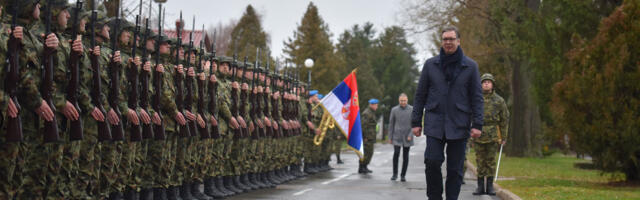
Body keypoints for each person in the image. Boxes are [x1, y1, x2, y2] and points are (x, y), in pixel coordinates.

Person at [411, 26, 484, 200]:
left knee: (455, 168)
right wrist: (415, 121)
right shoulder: (430, 65)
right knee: (432, 161)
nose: (448, 42)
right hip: (435, 122)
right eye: (445, 39)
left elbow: (477, 97)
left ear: (458, 41)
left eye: (451, 39)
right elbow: (420, 94)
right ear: (441, 42)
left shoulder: (470, 66)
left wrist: (478, 124)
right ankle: (435, 197)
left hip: (459, 123)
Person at [472, 73, 509, 196]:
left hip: (493, 133)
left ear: (493, 84)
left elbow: (504, 119)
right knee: (480, 161)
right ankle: (480, 186)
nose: (486, 83)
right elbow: (469, 115)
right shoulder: (475, 99)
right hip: (478, 133)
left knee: (490, 161)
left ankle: (490, 186)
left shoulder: (499, 100)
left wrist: (504, 137)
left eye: (489, 82)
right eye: (484, 82)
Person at [388, 93, 413, 182]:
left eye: (404, 101)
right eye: (401, 101)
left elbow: (414, 123)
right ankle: (395, 174)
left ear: (407, 100)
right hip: (397, 136)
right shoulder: (394, 110)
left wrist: (410, 135)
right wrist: (390, 137)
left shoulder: (411, 109)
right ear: (399, 101)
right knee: (396, 154)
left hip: (407, 136)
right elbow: (391, 124)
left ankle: (403, 175)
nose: (403, 102)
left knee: (405, 156)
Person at [359, 98, 379, 174]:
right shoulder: (367, 113)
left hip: (370, 136)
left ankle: (365, 166)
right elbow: (363, 126)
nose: (377, 106)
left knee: (369, 152)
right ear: (372, 105)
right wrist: (364, 137)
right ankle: (362, 167)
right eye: (376, 105)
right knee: (366, 152)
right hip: (367, 137)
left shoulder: (371, 113)